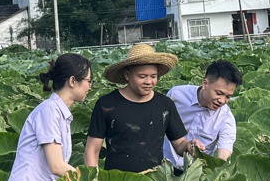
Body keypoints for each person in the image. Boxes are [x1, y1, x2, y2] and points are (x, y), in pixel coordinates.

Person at [84, 44, 195, 173]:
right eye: (142, 77)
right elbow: (92, 150)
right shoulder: (106, 104)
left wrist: (189, 146)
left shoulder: (165, 104)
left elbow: (179, 145)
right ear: (127, 75)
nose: (149, 81)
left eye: (153, 76)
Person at [5, 54, 92, 181]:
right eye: (88, 81)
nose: (90, 87)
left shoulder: (58, 112)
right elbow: (57, 166)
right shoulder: (49, 110)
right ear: (73, 81)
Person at [163, 60, 242, 168]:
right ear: (205, 84)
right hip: (162, 164)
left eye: (228, 96)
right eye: (219, 93)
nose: (222, 101)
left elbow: (224, 152)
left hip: (194, 174)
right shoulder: (176, 95)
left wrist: (220, 168)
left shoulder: (226, 118)